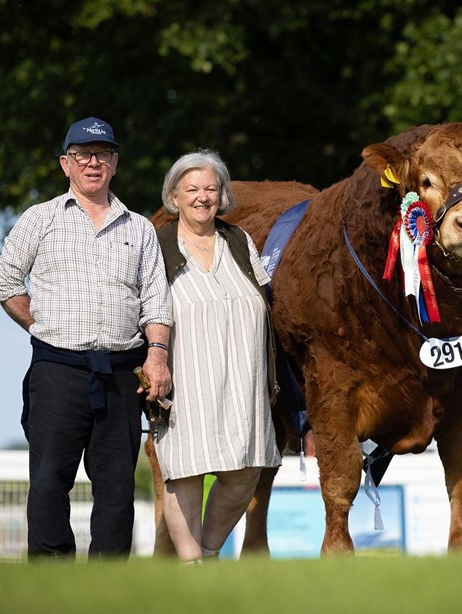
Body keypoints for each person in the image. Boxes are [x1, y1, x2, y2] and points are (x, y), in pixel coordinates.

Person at [0, 117, 173, 559]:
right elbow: (5, 284)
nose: (93, 163)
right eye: (82, 155)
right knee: (50, 478)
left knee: (115, 486)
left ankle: (106, 582)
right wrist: (43, 328)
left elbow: (157, 302)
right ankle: (51, 578)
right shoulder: (40, 218)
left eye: (103, 155)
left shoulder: (140, 228)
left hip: (121, 373)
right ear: (65, 164)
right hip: (57, 371)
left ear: (115, 163)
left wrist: (159, 356)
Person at [153, 150, 281, 563]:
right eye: (191, 189)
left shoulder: (239, 241)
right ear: (174, 197)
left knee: (246, 471)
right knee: (185, 471)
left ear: (222, 194)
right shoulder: (157, 245)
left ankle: (208, 551)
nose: (202, 197)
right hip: (185, 378)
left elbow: (266, 301)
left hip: (245, 381)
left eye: (211, 188)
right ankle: (193, 565)